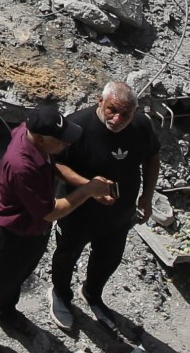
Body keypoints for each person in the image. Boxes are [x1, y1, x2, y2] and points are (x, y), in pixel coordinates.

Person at [0, 103, 116, 352]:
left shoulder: (31, 135)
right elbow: (50, 212)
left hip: (32, 232)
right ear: (43, 139)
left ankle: (6, 310)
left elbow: (53, 165)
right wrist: (87, 191)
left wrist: (87, 184)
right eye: (62, 141)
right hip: (10, 236)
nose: (67, 145)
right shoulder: (23, 165)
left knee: (16, 277)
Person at [48, 82, 160, 334]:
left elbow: (153, 156)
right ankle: (60, 295)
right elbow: (55, 163)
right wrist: (88, 187)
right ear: (100, 101)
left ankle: (92, 293)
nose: (118, 119)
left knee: (109, 258)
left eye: (126, 114)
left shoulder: (141, 126)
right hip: (77, 212)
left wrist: (147, 196)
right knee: (67, 255)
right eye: (112, 110)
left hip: (119, 214)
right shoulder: (76, 127)